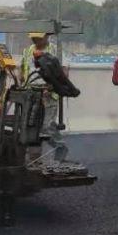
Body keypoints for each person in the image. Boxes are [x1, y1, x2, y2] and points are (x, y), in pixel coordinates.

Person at [20, 32, 70, 165]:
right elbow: (23, 71)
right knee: (31, 126)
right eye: (33, 38)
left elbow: (64, 72)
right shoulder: (28, 51)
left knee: (46, 126)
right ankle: (34, 158)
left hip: (48, 94)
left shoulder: (55, 51)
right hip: (31, 94)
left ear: (47, 36)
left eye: (38, 37)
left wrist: (53, 86)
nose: (35, 40)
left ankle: (61, 147)